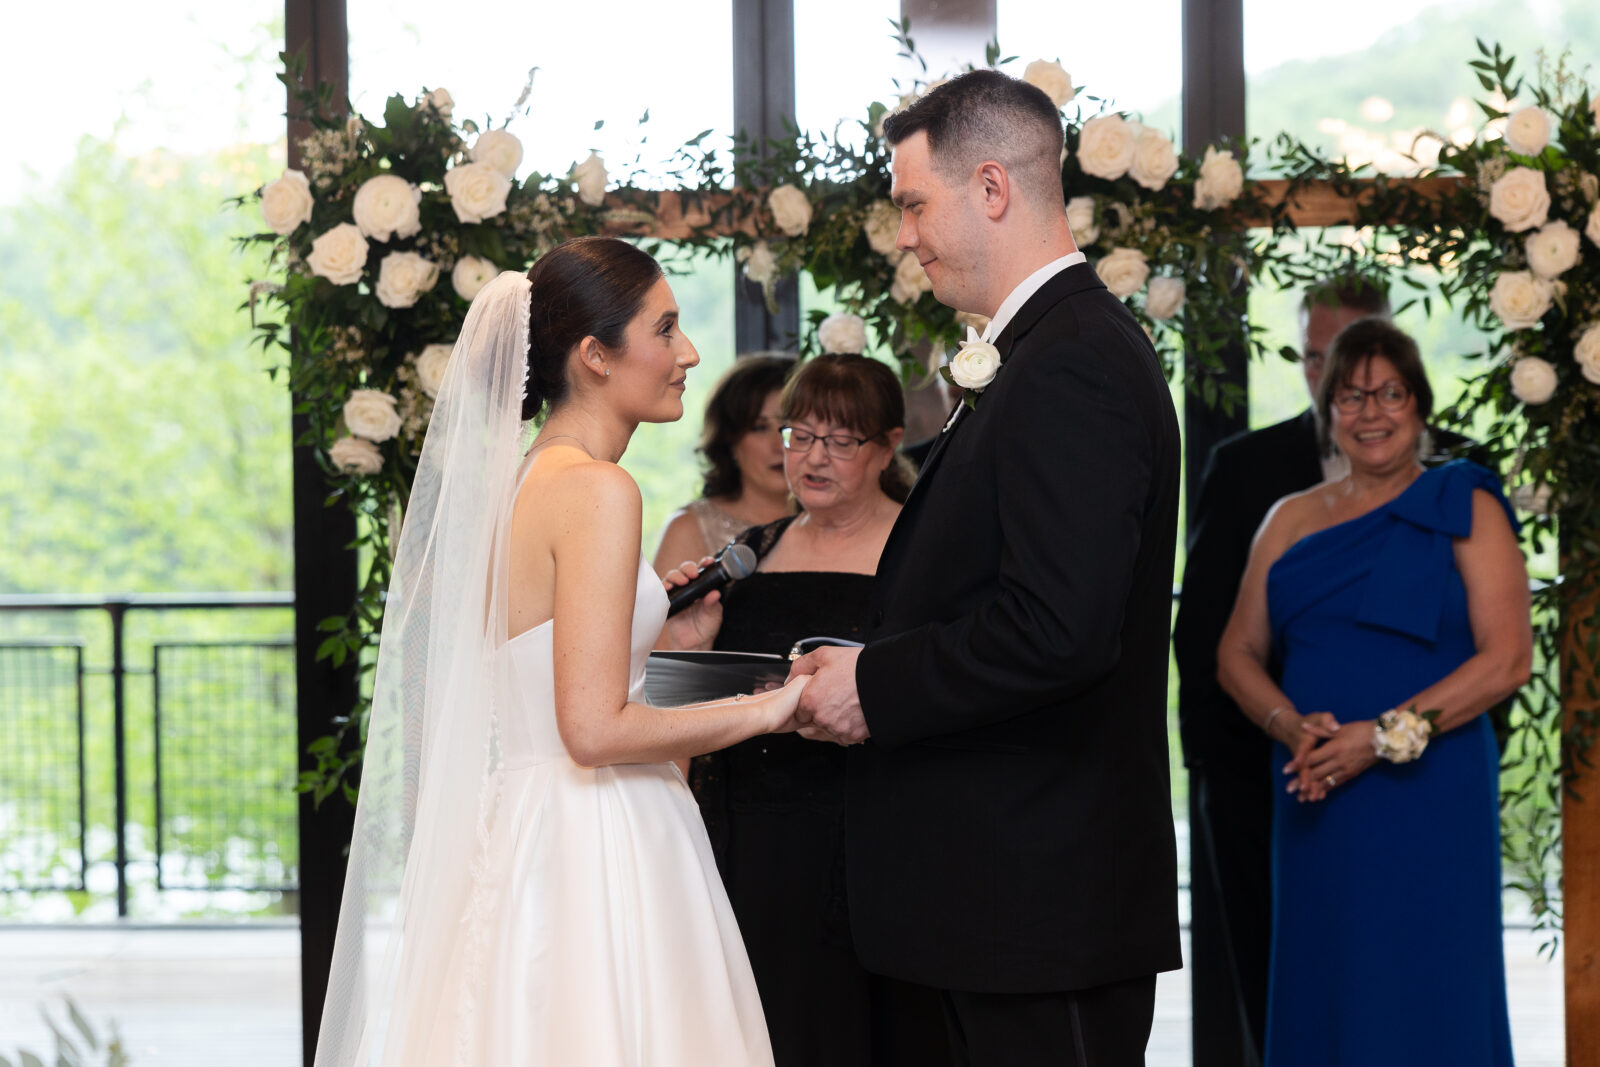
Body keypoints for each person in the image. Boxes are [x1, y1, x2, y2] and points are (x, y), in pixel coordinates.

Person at [312, 237, 811, 1066]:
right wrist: (770, 706)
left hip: (525, 827)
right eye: (666, 329)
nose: (688, 354)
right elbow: (593, 730)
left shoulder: (519, 481)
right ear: (595, 355)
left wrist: (666, 636)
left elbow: (542, 675)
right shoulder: (599, 488)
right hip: (601, 834)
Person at [788, 70, 1182, 1065]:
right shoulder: (1049, 350)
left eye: (916, 203)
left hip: (1040, 906)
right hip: (999, 902)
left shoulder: (1074, 362)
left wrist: (872, 681)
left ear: (993, 188)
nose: (906, 234)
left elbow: (1059, 627)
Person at [1171, 278, 1478, 1067]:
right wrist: (1285, 731)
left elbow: (1507, 655)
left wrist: (1386, 738)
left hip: (1429, 783)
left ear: (1417, 395)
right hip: (1300, 782)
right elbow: (1218, 641)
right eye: (1344, 386)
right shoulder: (1267, 491)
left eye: (1388, 391)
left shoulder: (1465, 490)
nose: (1369, 408)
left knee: (1427, 987)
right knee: (1313, 990)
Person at [661, 354, 946, 1067]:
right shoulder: (751, 554)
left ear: (885, 447)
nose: (813, 457)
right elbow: (685, 705)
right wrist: (687, 645)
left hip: (882, 846)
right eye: (798, 435)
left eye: (840, 440)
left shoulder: (927, 559)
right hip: (754, 845)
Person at [653, 353, 795, 573]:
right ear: (729, 439)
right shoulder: (690, 528)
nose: (779, 445)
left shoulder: (840, 522)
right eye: (759, 427)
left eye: (790, 428)